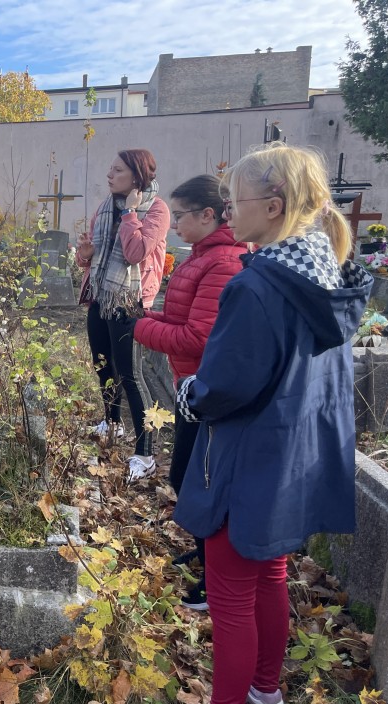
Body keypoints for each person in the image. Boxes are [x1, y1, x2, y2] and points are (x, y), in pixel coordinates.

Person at [152, 143, 372, 704]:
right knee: (269, 574)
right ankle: (265, 693)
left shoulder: (259, 286)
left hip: (248, 461)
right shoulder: (326, 278)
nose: (228, 210)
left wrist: (191, 389)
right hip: (299, 457)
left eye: (237, 201)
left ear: (272, 207)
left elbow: (225, 385)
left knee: (229, 594)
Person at [115, 174, 246, 610]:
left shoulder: (223, 262)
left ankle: (216, 580)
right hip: (191, 388)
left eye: (183, 215)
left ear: (209, 215)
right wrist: (149, 315)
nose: (175, 225)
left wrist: (140, 327)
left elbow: (198, 339)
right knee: (184, 477)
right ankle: (206, 554)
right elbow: (184, 317)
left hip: (209, 393)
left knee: (197, 481)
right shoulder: (201, 257)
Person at [75, 149, 170, 480]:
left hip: (130, 301)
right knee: (103, 366)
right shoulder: (104, 208)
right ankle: (112, 423)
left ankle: (145, 453)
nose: (109, 175)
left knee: (132, 375)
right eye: (110, 169)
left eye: (117, 170)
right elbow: (90, 260)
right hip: (101, 296)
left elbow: (135, 252)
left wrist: (131, 212)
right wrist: (84, 256)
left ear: (137, 176)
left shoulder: (156, 210)